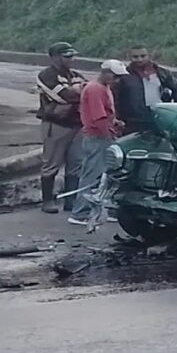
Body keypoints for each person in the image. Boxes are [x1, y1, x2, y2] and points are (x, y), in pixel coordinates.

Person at [69, 60, 128, 226]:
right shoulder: (95, 89)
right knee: (92, 175)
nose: (117, 80)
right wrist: (110, 137)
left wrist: (114, 122)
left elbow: (106, 114)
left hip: (100, 135)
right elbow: (98, 117)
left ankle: (97, 210)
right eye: (115, 76)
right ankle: (80, 213)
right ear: (105, 72)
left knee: (104, 176)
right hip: (97, 137)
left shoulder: (104, 88)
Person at [36, 42, 88, 214]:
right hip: (55, 124)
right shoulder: (46, 75)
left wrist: (77, 92)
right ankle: (47, 201)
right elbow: (64, 96)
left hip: (77, 124)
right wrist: (77, 91)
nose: (71, 59)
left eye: (72, 56)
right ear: (54, 57)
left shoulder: (75, 74)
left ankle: (71, 201)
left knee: (76, 164)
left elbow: (88, 93)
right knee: (51, 163)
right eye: (66, 56)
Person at [114, 45, 177, 134]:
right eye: (135, 57)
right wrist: (116, 118)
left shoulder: (162, 73)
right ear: (129, 57)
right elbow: (115, 98)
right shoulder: (124, 75)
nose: (139, 59)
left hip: (158, 117)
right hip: (132, 121)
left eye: (143, 56)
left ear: (149, 56)